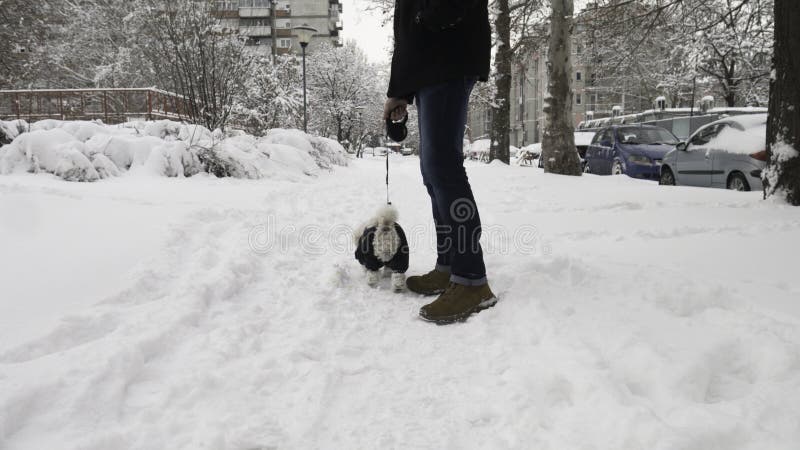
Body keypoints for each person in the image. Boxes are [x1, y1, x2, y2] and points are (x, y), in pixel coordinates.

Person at [383, 0, 495, 324]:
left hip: (448, 57)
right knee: (433, 171)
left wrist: (430, 16)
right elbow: (406, 28)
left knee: (444, 169)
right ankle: (449, 267)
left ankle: (472, 279)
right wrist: (400, 90)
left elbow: (418, 19)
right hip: (431, 65)